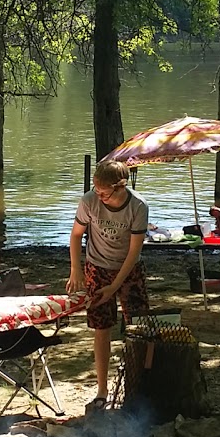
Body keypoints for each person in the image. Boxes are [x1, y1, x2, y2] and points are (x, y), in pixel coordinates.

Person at [67, 160, 149, 411]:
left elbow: (134, 253)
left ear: (120, 186)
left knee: (140, 327)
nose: (98, 195)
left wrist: (115, 286)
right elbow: (76, 235)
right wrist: (76, 269)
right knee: (101, 327)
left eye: (104, 192)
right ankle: (102, 390)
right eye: (96, 189)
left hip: (128, 269)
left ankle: (141, 386)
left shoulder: (138, 206)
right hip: (96, 267)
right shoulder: (89, 201)